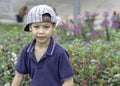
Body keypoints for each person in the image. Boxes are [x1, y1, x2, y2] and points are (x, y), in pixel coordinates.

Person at [11, 5, 74, 86]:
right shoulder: (27, 50)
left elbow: (69, 81)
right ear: (30, 27)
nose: (41, 31)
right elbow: (19, 76)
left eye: (46, 27)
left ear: (53, 27)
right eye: (36, 27)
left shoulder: (60, 53)